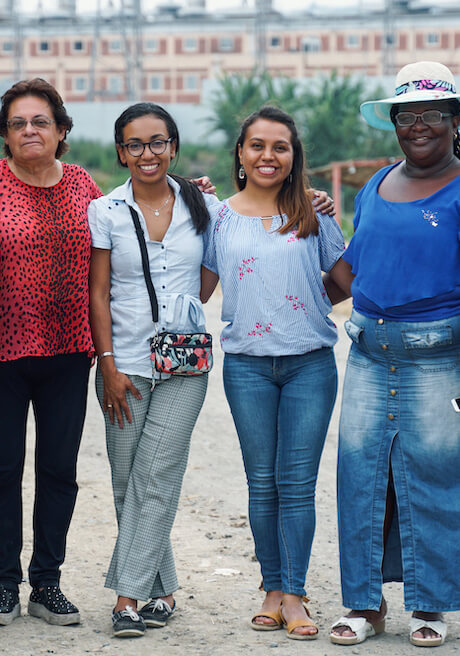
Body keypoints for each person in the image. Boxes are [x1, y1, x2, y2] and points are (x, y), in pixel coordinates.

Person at [88, 102, 335, 638]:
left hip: (194, 362)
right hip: (136, 360)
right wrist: (105, 361)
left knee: (159, 475)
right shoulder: (124, 210)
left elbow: (335, 277)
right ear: (121, 151)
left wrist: (305, 300)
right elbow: (109, 291)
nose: (147, 152)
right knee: (131, 480)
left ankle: (127, 596)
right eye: (135, 144)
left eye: (158, 142)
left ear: (173, 146)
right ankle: (164, 590)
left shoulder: (211, 205)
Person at [200, 106, 352, 640]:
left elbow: (345, 280)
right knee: (261, 483)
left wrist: (307, 304)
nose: (268, 155)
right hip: (246, 368)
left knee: (296, 484)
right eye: (257, 146)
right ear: (241, 155)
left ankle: (294, 594)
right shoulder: (217, 216)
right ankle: (271, 586)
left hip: (310, 364)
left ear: (294, 157)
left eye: (280, 147)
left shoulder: (314, 213)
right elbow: (198, 288)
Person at [329, 61, 460, 648]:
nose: (420, 126)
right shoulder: (375, 186)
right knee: (359, 473)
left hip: (438, 356)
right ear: (395, 123)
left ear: (455, 121)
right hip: (366, 353)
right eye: (409, 116)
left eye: (434, 114)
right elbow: (351, 274)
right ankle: (364, 604)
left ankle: (430, 606)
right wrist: (294, 227)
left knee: (433, 474)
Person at [0, 79, 102, 626]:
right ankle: (2, 585)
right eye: (18, 123)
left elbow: (130, 222)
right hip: (3, 354)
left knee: (58, 470)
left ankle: (47, 583)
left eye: (40, 121)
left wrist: (190, 192)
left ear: (61, 130)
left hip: (67, 350)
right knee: (2, 469)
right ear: (6, 136)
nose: (29, 131)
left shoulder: (84, 184)